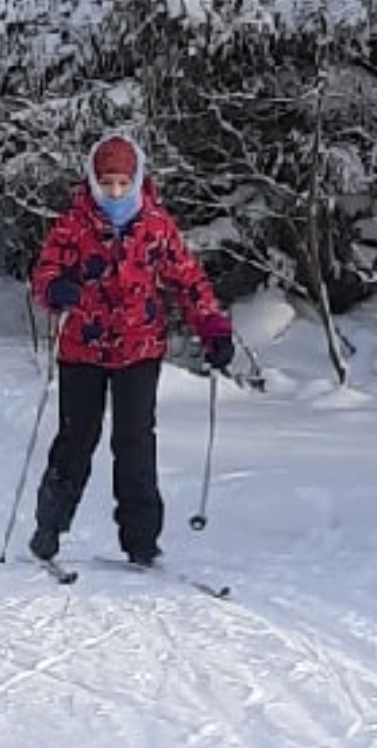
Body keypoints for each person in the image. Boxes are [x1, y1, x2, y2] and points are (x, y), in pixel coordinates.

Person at [29, 132, 234, 566]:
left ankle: (141, 541)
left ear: (137, 179)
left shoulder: (156, 226)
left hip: (138, 350)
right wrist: (55, 288)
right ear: (93, 181)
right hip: (82, 350)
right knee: (76, 438)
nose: (115, 192)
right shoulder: (73, 225)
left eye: (123, 182)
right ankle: (49, 527)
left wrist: (213, 326)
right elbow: (44, 274)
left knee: (135, 442)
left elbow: (189, 280)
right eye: (107, 183)